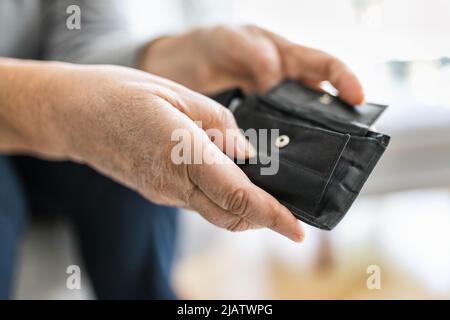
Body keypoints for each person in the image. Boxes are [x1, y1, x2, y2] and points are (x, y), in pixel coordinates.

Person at [0, 0, 365, 299]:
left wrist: (182, 54)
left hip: (46, 137)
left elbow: (82, 40)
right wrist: (60, 107)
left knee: (147, 150)